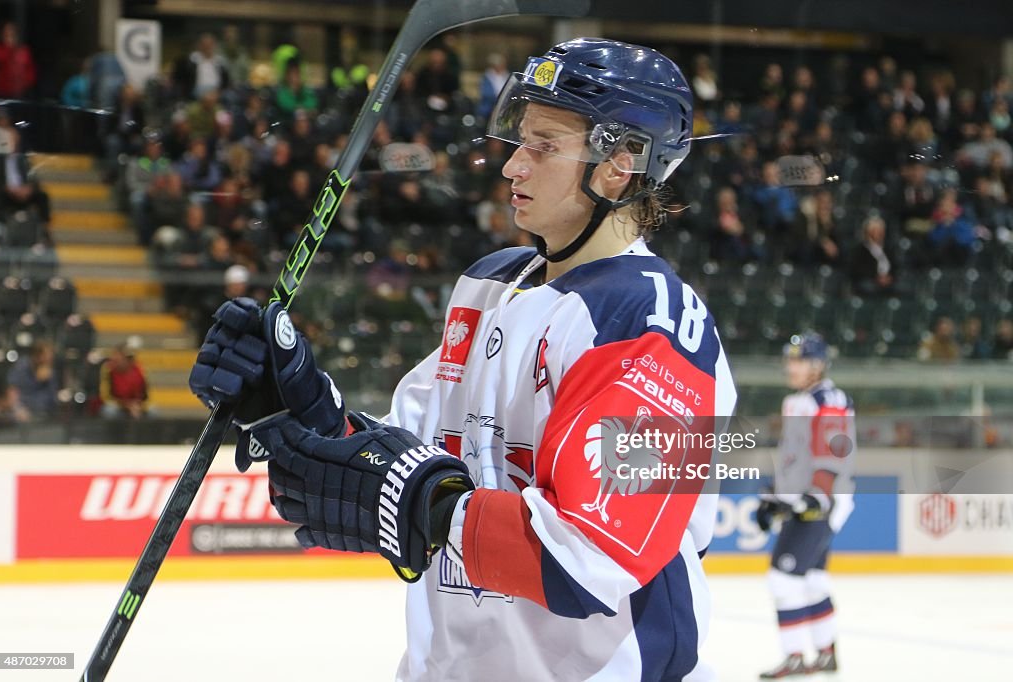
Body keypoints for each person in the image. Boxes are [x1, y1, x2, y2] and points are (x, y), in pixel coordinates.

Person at [189, 38, 737, 681]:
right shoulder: (491, 283)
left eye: (544, 145)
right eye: (519, 141)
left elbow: (588, 560)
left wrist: (428, 504)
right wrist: (295, 398)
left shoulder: (651, 323)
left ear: (620, 163)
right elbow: (406, 456)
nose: (513, 167)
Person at [757, 333, 855, 678]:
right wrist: (775, 496)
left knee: (782, 579)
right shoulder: (800, 400)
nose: (790, 366)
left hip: (820, 502)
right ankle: (826, 653)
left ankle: (796, 655)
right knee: (811, 579)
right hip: (809, 499)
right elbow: (793, 457)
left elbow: (833, 450)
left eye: (797, 360)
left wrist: (818, 494)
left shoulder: (828, 397)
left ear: (816, 364)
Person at [99, 343, 150, 419]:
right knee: (109, 410)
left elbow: (146, 396)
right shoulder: (109, 369)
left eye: (129, 358)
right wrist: (127, 405)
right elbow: (105, 397)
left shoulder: (139, 370)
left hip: (136, 407)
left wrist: (138, 405)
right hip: (118, 406)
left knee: (154, 412)